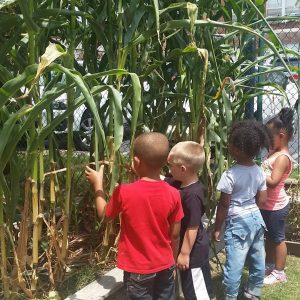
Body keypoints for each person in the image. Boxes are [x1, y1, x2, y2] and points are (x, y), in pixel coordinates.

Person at [85, 132, 184, 300]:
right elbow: (175, 234)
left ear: (137, 162)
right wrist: (172, 263)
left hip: (138, 270)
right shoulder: (174, 193)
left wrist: (98, 185)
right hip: (166, 265)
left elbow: (104, 215)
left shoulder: (124, 192)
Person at [212, 120, 270, 300]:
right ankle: (253, 294)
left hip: (237, 224)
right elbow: (262, 200)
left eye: (230, 142)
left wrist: (217, 228)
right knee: (258, 261)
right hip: (256, 221)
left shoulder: (230, 175)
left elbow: (224, 205)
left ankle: (230, 296)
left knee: (234, 266)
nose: (228, 145)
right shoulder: (259, 171)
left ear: (238, 148)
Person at [165, 141, 214, 300]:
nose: (169, 170)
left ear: (183, 169)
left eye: (171, 166)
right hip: (190, 248)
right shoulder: (182, 183)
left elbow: (192, 227)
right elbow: (164, 180)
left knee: (196, 291)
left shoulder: (192, 195)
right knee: (189, 288)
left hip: (193, 252)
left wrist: (185, 254)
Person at [259, 108, 294, 285]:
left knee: (278, 238)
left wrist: (255, 173)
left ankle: (279, 272)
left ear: (281, 135)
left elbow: (272, 181)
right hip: (267, 205)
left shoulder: (282, 157)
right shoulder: (273, 153)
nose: (266, 142)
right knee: (269, 237)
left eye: (269, 137)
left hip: (276, 207)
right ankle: (271, 265)